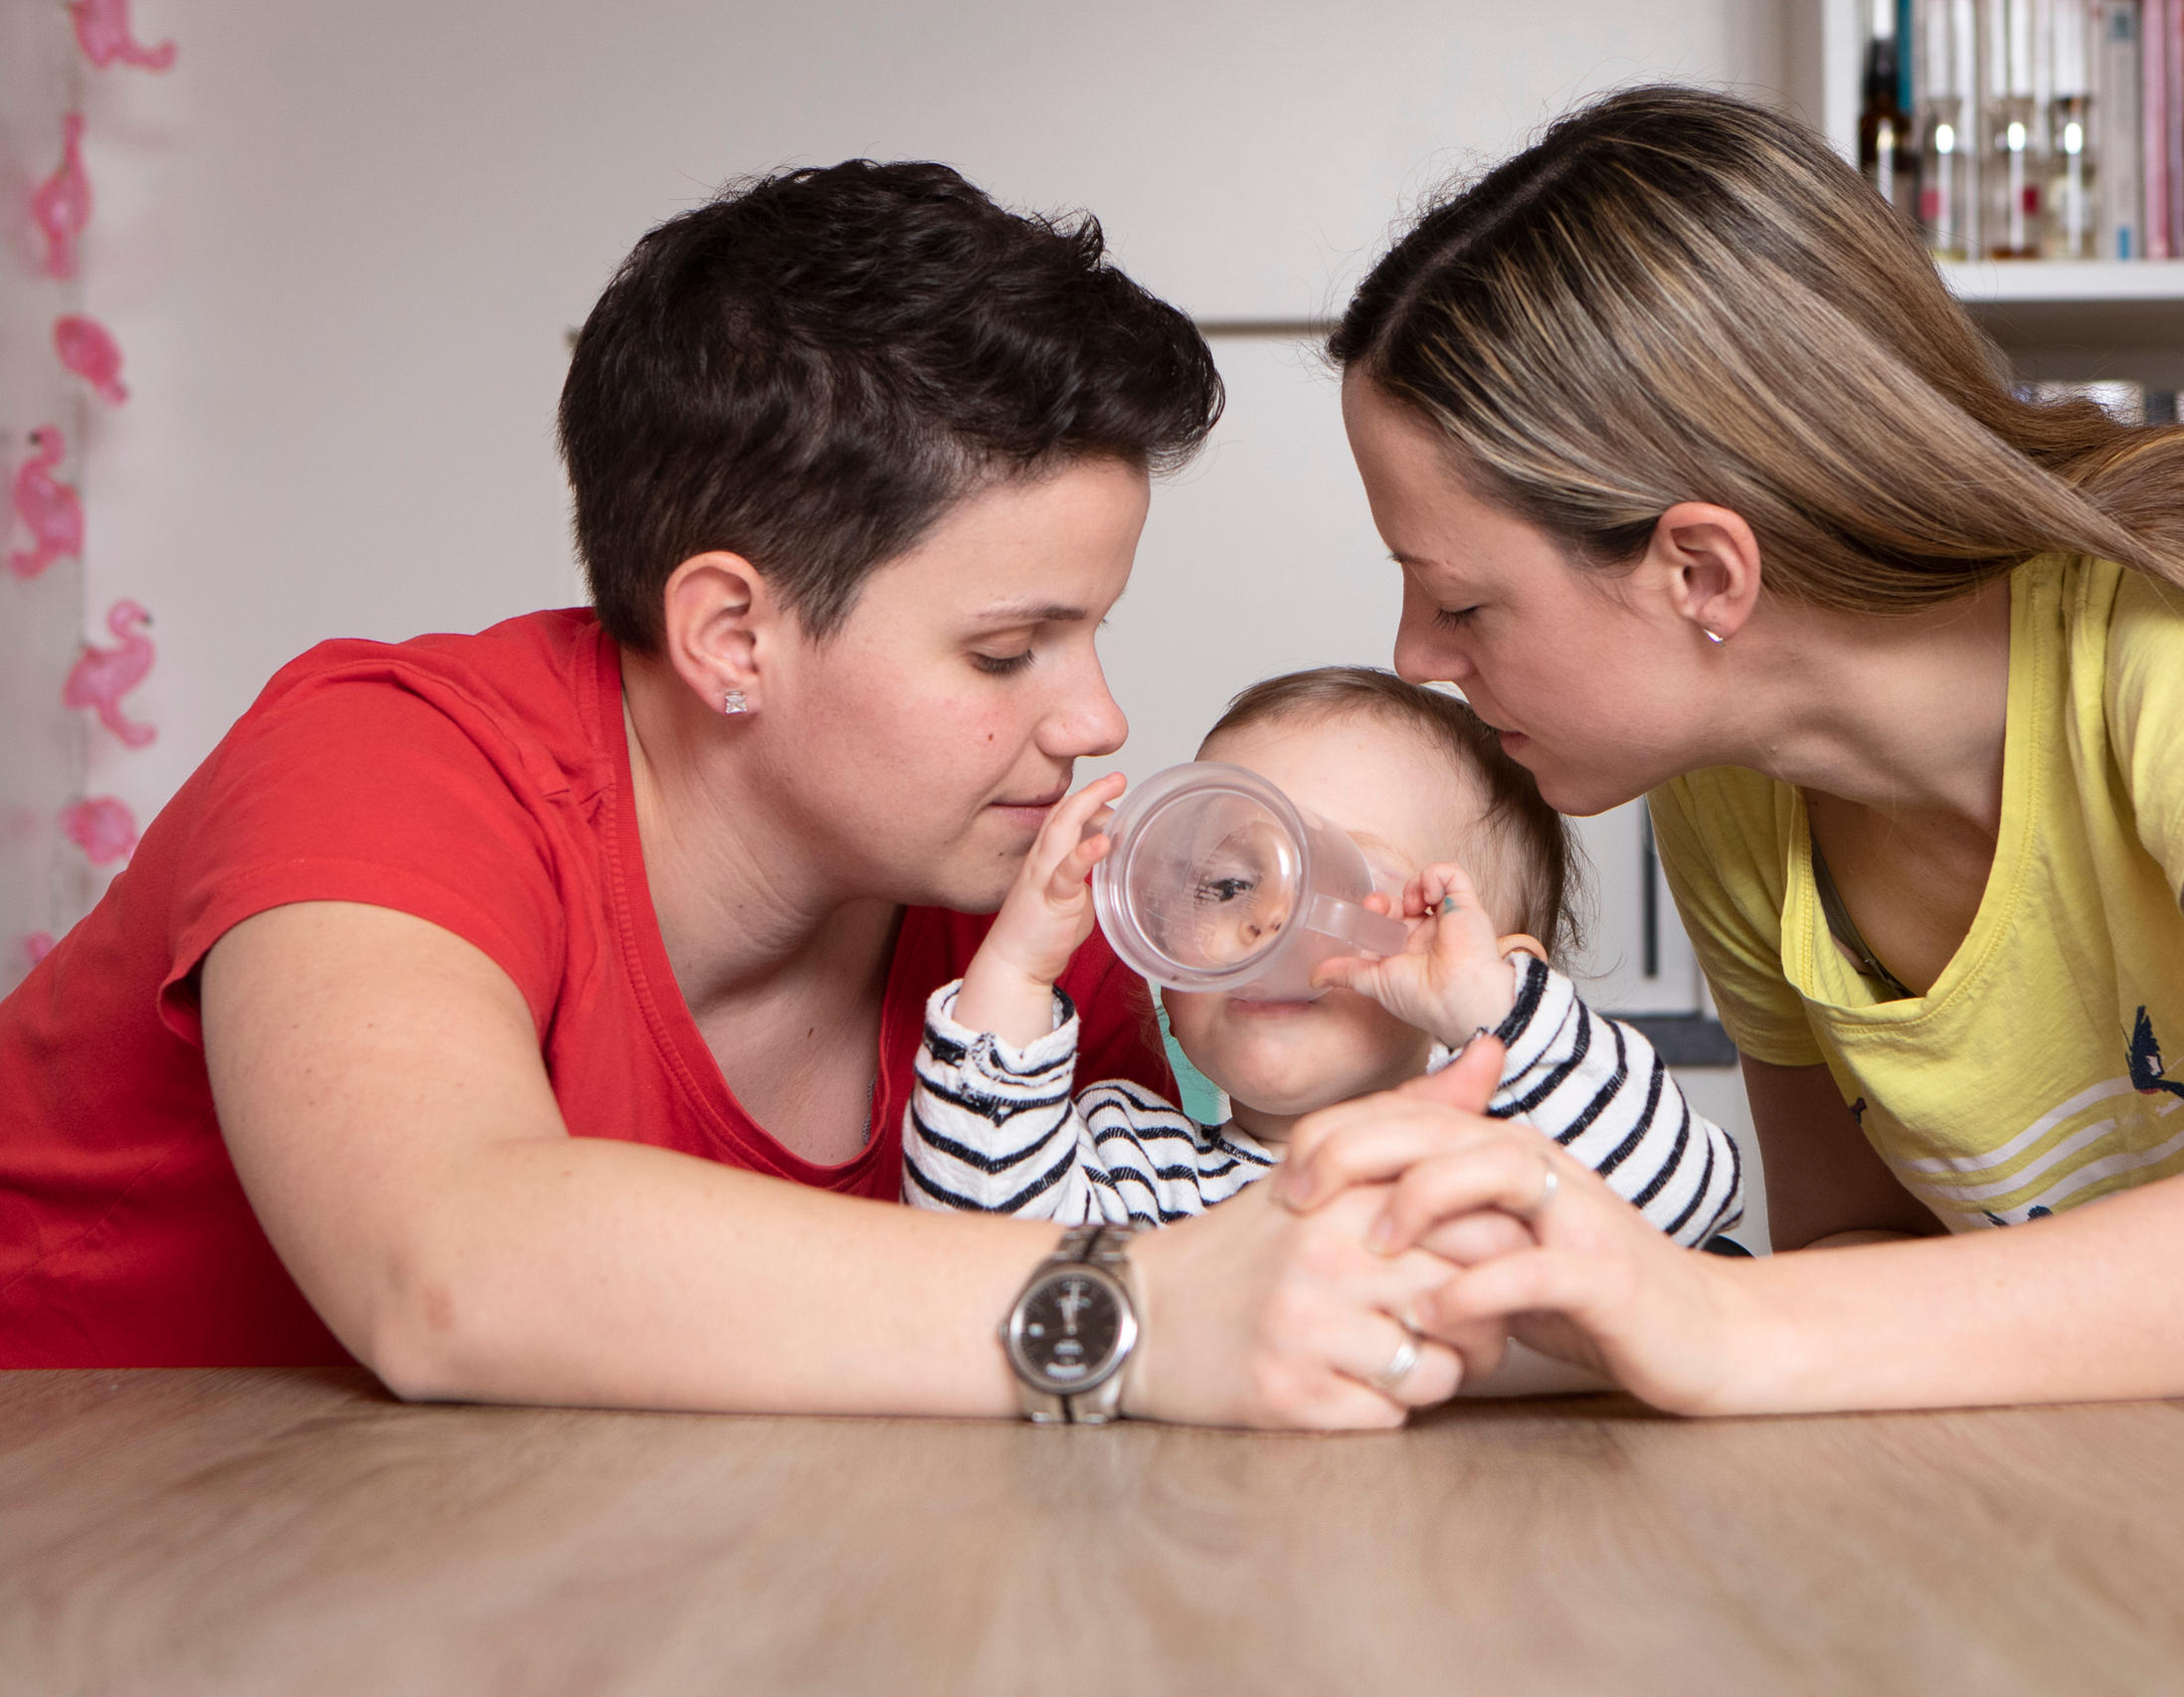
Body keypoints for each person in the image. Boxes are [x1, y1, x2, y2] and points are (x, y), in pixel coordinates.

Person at [0, 162, 1494, 1429]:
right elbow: (444, 1267)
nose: (1096, 719)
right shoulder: (383, 763)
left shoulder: (1021, 931)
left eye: (1092, 633)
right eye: (1005, 649)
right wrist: (1144, 1306)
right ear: (734, 635)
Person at [1280, 86, 2184, 1413]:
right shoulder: (1731, 794)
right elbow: (1858, 1258)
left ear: (1703, 571)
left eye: (1463, 599)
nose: (1418, 653)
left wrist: (1707, 1311)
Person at [901, 666, 1741, 1253]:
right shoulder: (1133, 1166)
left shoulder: (1516, 1167)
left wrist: (1496, 1014)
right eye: (1226, 884)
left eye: (1350, 883)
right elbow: (975, 1252)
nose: (1271, 917)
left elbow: (1683, 1211)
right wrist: (1016, 968)